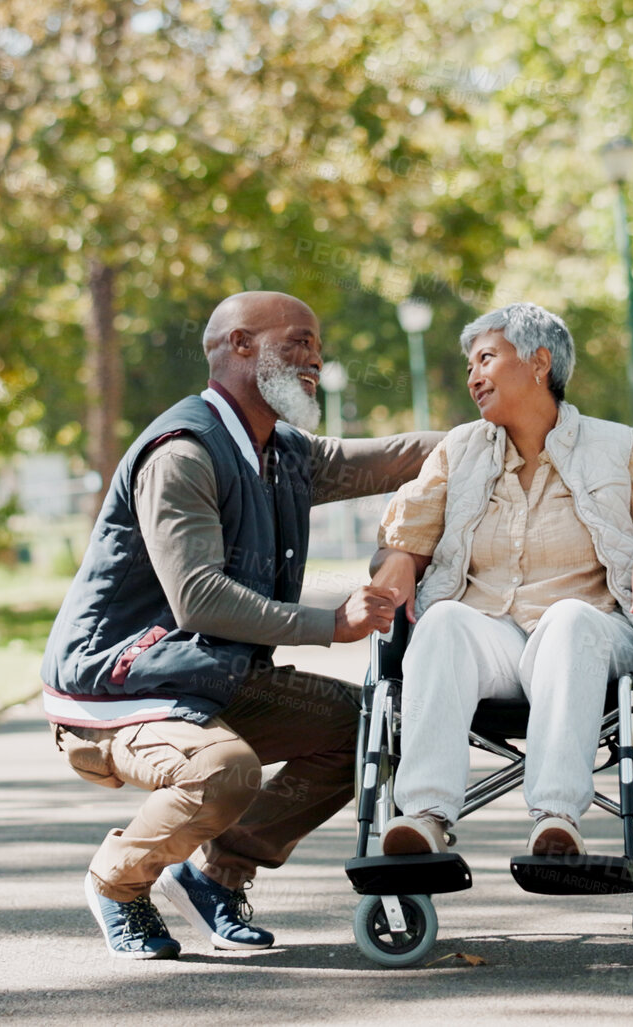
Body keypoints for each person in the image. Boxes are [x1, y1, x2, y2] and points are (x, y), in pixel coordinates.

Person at [40, 291, 441, 959]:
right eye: (298, 342)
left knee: (365, 725)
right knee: (226, 771)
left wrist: (513, 428)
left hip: (205, 676)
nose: (315, 357)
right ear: (238, 346)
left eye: (315, 343)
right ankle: (118, 882)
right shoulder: (183, 453)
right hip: (121, 685)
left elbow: (400, 455)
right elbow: (197, 597)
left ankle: (214, 876)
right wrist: (326, 622)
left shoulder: (281, 449)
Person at [367, 302, 633, 859]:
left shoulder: (616, 447)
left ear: (539, 363)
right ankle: (424, 817)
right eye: (469, 365)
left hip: (592, 635)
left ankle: (556, 816)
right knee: (445, 620)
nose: (473, 376)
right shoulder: (458, 451)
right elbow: (402, 539)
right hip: (496, 639)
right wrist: (400, 563)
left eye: (486, 358)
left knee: (569, 617)